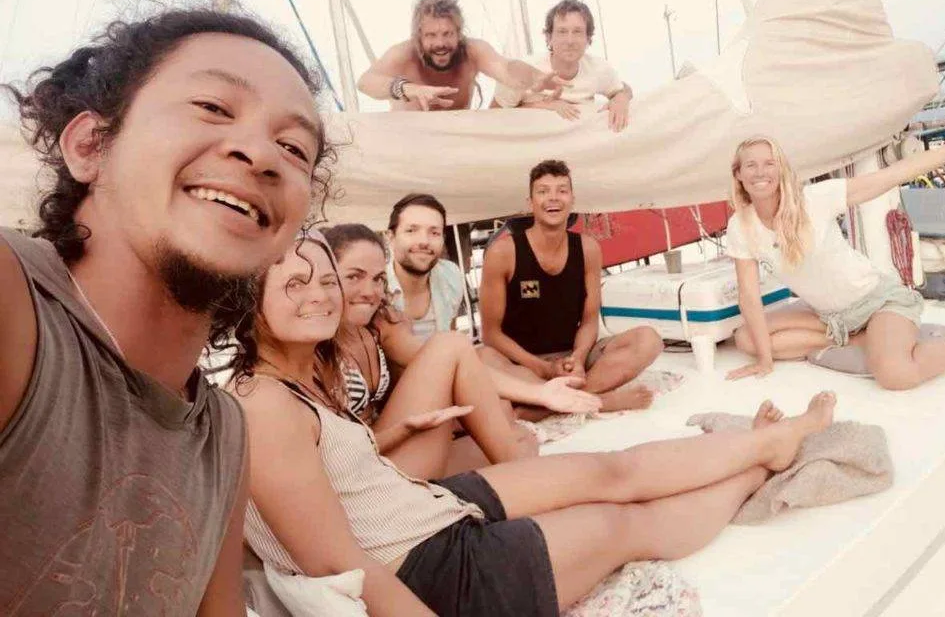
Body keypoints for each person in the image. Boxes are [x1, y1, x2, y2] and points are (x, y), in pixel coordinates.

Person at [0, 9, 329, 614]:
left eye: (294, 147)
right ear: (90, 146)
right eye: (212, 106)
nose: (261, 155)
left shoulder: (223, 433)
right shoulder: (17, 305)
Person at [230, 297, 838, 617]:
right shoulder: (261, 404)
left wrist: (392, 437)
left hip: (421, 510)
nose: (319, 294)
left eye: (322, 278)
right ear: (241, 303)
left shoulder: (296, 378)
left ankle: (767, 443)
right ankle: (757, 470)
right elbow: (340, 563)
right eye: (292, 283)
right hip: (428, 571)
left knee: (610, 470)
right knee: (626, 524)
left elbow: (322, 479)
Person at [725, 116, 945, 389]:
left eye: (769, 163)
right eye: (750, 165)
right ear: (738, 174)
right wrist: (764, 360)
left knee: (896, 376)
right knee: (747, 338)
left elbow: (896, 173)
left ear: (781, 170)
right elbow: (748, 296)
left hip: (877, 302)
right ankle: (861, 339)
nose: (760, 172)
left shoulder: (815, 199)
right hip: (829, 316)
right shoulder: (741, 225)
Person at [322, 224, 601, 477]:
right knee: (452, 345)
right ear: (327, 276)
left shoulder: (380, 326)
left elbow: (454, 368)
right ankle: (529, 479)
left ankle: (521, 460)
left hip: (394, 446)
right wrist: (406, 428)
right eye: (354, 277)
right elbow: (331, 452)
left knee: (520, 436)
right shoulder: (314, 343)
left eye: (378, 279)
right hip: (364, 467)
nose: (370, 291)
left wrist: (541, 393)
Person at [480, 160, 664, 412]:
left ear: (572, 200)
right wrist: (540, 367)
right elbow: (491, 334)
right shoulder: (503, 253)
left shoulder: (588, 248)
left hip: (573, 358)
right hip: (522, 364)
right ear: (530, 202)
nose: (552, 198)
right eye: (543, 191)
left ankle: (548, 407)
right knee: (481, 359)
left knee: (648, 340)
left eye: (562, 191)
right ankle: (597, 401)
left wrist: (577, 357)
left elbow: (589, 320)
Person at [357, 0, 565, 111]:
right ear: (419, 37)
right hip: (410, 144)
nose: (440, 43)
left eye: (447, 34)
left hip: (456, 143)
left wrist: (534, 77)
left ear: (459, 33)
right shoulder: (403, 54)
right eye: (431, 35)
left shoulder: (472, 51)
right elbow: (366, 82)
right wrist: (409, 89)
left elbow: (506, 68)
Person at [493, 0, 633, 132]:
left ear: (588, 39)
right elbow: (492, 116)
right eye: (562, 32)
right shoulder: (524, 70)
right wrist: (543, 106)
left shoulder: (598, 68)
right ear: (549, 38)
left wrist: (621, 99)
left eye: (577, 32)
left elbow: (622, 89)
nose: (570, 41)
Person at [385, 193, 465, 340]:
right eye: (411, 230)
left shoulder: (450, 275)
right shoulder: (376, 288)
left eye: (434, 233)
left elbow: (449, 338)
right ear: (391, 238)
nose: (424, 241)